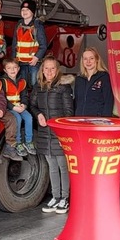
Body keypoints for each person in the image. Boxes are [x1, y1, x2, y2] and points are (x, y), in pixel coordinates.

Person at [30, 56, 73, 214]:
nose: (49, 71)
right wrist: (38, 114)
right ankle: (55, 197)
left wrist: (62, 131)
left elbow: (69, 112)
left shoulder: (64, 87)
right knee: (52, 167)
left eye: (52, 68)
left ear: (57, 70)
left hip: (59, 134)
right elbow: (32, 105)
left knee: (63, 166)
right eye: (46, 68)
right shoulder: (38, 87)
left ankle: (65, 198)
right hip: (44, 133)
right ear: (42, 70)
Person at [2, 58, 35, 157]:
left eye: (15, 67)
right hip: (9, 108)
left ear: (19, 68)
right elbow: (2, 99)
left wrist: (24, 105)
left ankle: (28, 141)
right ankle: (18, 142)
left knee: (29, 118)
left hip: (20, 106)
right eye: (9, 68)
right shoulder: (3, 82)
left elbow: (24, 96)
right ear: (5, 70)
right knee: (18, 118)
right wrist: (13, 107)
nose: (12, 70)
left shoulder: (22, 81)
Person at [14, 0, 47, 87]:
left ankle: (34, 101)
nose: (24, 12)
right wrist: (14, 59)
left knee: (34, 84)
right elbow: (15, 43)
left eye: (27, 10)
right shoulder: (19, 25)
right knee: (22, 84)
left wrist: (37, 57)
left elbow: (43, 45)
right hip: (20, 62)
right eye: (23, 10)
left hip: (33, 62)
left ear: (32, 12)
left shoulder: (37, 26)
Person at [74, 47, 115, 117]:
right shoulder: (79, 79)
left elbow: (108, 101)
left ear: (97, 60)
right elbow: (77, 101)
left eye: (91, 58)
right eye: (85, 59)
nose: (88, 61)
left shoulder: (104, 77)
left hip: (97, 121)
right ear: (82, 61)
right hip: (80, 120)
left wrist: (105, 120)